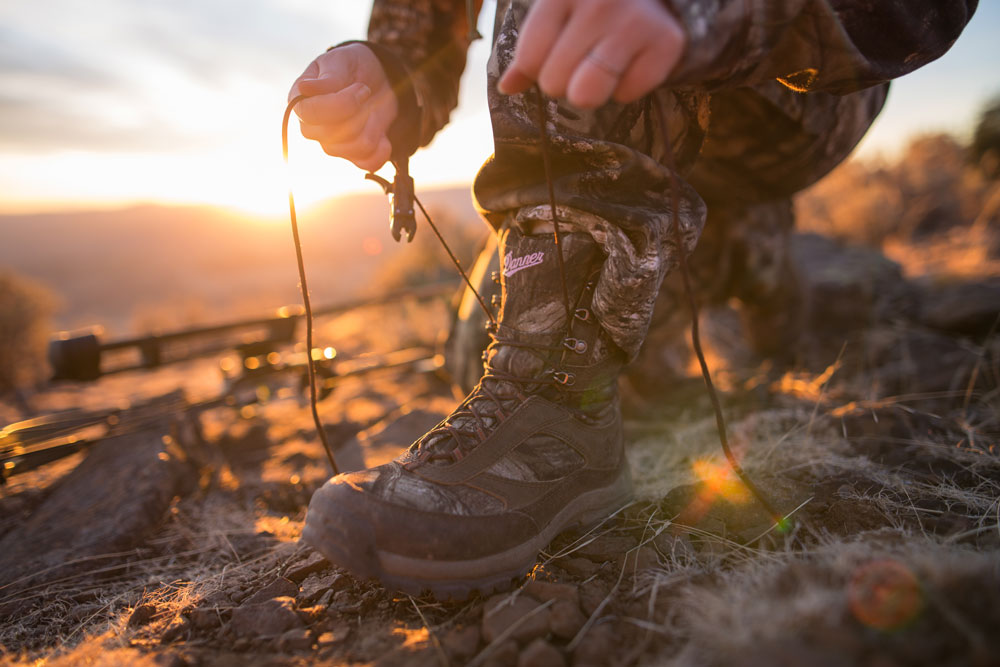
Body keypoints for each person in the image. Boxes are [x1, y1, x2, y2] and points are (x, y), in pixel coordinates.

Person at [289, 0, 978, 598]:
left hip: (797, 78)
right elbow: (422, 37)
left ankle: (558, 400)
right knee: (486, 339)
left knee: (558, 351)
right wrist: (385, 75)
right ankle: (730, 242)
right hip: (630, 118)